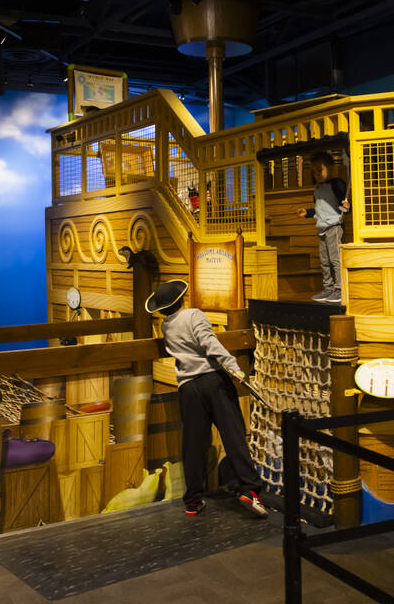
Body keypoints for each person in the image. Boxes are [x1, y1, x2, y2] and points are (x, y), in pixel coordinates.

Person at [146, 279, 267, 519]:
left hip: (188, 388)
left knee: (194, 445)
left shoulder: (166, 327)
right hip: (214, 382)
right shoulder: (194, 315)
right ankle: (249, 489)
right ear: (181, 299)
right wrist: (233, 367)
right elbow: (209, 343)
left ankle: (193, 500)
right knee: (233, 435)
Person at [295, 151, 349, 304]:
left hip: (334, 227)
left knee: (335, 259)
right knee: (324, 260)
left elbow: (344, 207)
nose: (316, 174)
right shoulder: (317, 188)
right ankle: (328, 287)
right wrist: (307, 212)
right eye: (314, 171)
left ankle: (339, 288)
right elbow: (320, 209)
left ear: (330, 168)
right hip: (321, 228)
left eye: (320, 170)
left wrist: (347, 206)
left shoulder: (337, 184)